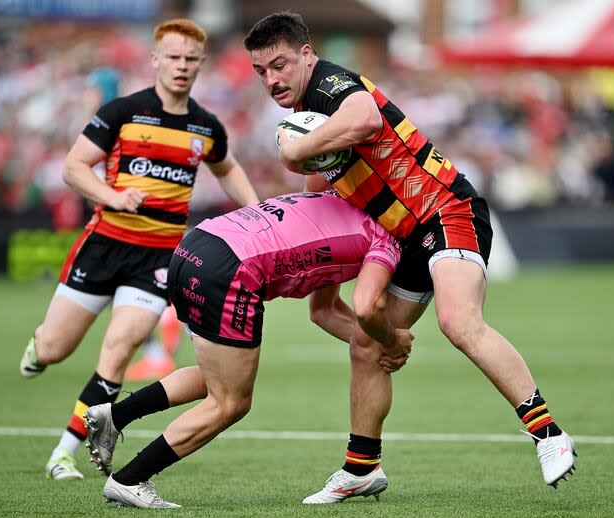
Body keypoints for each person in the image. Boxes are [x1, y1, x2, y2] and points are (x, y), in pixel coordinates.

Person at [243, 12, 577, 503]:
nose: (272, 79)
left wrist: (295, 153)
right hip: (403, 235)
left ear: (307, 56)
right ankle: (361, 468)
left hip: (446, 209)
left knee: (458, 322)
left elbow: (364, 119)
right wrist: (389, 340)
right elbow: (321, 188)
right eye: (261, 71)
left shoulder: (333, 84)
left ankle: (548, 433)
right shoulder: (306, 119)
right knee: (365, 346)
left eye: (280, 64)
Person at [19, 18, 260, 481]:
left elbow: (227, 169)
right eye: (173, 57)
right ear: (155, 60)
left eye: (191, 59)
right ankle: (40, 348)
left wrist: (257, 213)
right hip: (104, 245)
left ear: (201, 65)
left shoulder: (205, 125)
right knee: (55, 347)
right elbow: (74, 167)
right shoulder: (123, 112)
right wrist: (112, 197)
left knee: (119, 349)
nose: (182, 66)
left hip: (157, 258)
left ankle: (63, 454)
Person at [82, 190, 411, 508]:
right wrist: (392, 339)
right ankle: (130, 479)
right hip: (230, 270)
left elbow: (323, 311)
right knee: (230, 402)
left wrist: (376, 344)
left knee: (218, 378)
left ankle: (115, 416)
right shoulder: (388, 237)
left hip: (195, 246)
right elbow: (368, 307)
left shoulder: (337, 198)